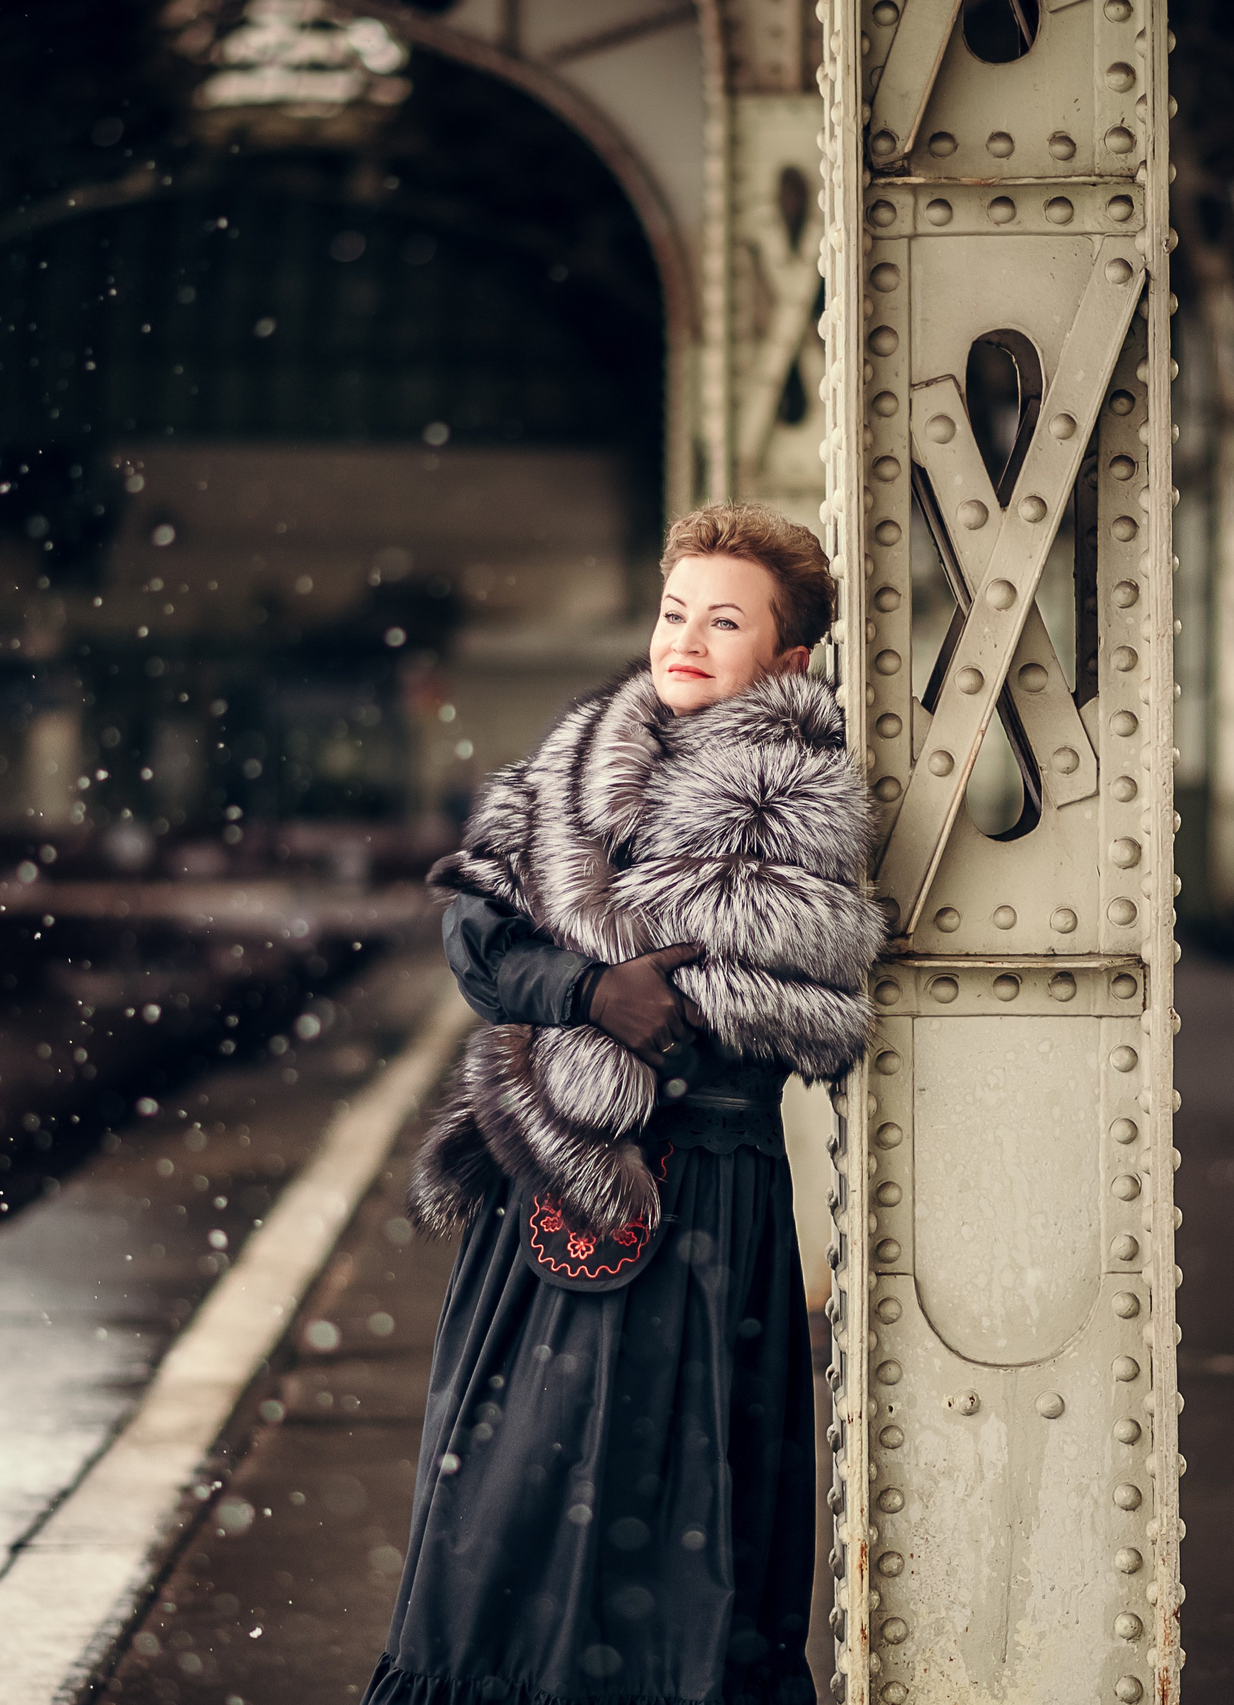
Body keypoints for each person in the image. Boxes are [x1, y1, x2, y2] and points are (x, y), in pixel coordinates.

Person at [361, 504, 882, 1705]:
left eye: (725, 619)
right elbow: (477, 934)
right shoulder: (579, 759)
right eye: (672, 611)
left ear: (787, 660)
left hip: (687, 1192)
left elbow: (713, 999)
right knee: (499, 1491)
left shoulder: (789, 810)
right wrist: (589, 985)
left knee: (658, 1503)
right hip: (550, 1181)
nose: (684, 638)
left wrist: (577, 988)